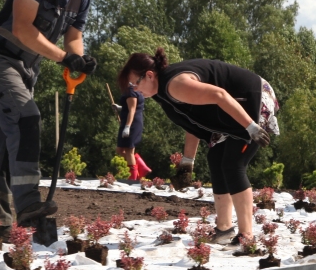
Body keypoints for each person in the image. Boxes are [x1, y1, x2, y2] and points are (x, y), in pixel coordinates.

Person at [0, 0, 102, 225]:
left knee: (10, 143)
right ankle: (29, 203)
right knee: (26, 120)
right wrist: (64, 58)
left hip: (28, 69)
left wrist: (78, 59)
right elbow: (23, 29)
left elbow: (73, 37)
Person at [118, 48, 279, 245]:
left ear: (149, 75)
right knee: (216, 157)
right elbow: (193, 121)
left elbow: (219, 95)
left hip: (251, 98)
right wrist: (188, 162)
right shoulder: (162, 93)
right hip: (230, 110)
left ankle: (247, 236)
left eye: (135, 83)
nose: (134, 90)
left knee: (233, 163)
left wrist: (251, 127)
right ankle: (224, 229)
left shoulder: (174, 84)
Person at [114, 74, 150, 181]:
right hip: (130, 120)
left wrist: (127, 127)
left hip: (132, 123)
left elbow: (132, 109)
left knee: (129, 150)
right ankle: (141, 167)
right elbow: (131, 106)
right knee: (120, 149)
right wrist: (120, 108)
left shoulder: (131, 90)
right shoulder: (134, 89)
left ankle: (133, 178)